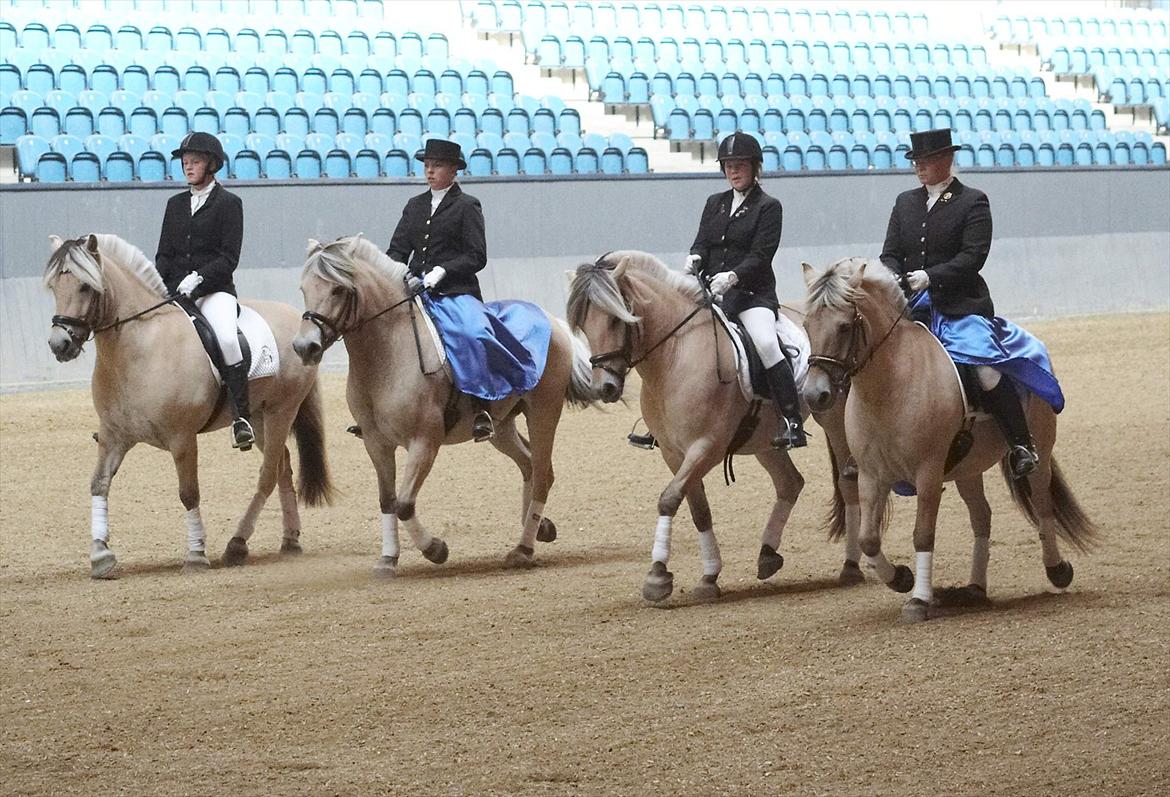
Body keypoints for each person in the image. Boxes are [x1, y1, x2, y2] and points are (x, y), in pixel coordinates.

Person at [879, 128, 1065, 478]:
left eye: (926, 160)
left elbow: (972, 256)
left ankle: (1021, 443)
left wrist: (931, 276)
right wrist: (891, 275)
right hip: (912, 306)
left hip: (960, 305)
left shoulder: (973, 201)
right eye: (916, 161)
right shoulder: (905, 202)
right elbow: (890, 252)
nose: (919, 167)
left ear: (947, 159)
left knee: (986, 369)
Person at [387, 139, 542, 442]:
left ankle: (481, 408)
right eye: (427, 165)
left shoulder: (467, 205)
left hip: (455, 291)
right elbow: (397, 250)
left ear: (453, 170)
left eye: (437, 166)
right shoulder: (414, 205)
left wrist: (442, 271)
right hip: (414, 288)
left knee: (474, 334)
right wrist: (400, 273)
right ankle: (378, 412)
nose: (430, 171)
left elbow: (476, 255)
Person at [687, 133, 806, 450]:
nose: (733, 171)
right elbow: (702, 242)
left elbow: (761, 255)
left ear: (755, 167)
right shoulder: (715, 203)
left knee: (766, 343)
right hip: (712, 293)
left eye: (740, 165)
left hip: (752, 295)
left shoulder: (768, 207)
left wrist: (733, 276)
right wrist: (695, 257)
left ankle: (792, 420)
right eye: (728, 165)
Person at [155, 131, 253, 450]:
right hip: (176, 291)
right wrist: (165, 285)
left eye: (195, 161)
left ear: (211, 164)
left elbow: (229, 257)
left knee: (227, 338)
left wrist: (198, 278)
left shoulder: (229, 204)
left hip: (214, 291)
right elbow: (164, 254)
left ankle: (241, 418)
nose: (188, 166)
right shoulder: (174, 204)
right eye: (185, 162)